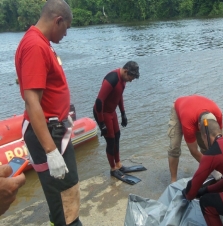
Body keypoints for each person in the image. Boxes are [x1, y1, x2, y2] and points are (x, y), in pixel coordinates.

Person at [15, 0, 82, 225]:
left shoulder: (41, 42)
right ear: (58, 21)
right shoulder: (35, 45)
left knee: (60, 198)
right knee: (67, 200)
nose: (66, 34)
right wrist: (51, 151)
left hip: (56, 128)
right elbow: (31, 101)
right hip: (49, 134)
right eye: (66, 28)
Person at [93, 61, 140, 180]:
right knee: (110, 141)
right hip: (102, 112)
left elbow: (119, 96)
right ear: (125, 71)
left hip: (111, 111)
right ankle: (113, 169)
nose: (131, 80)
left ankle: (118, 164)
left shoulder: (123, 80)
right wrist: (102, 123)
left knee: (117, 136)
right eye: (131, 77)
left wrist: (123, 113)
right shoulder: (112, 79)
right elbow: (99, 101)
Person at [167, 95, 223, 183]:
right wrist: (212, 168)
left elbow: (220, 142)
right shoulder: (188, 123)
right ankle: (173, 180)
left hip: (195, 109)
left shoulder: (218, 114)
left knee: (206, 146)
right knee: (174, 147)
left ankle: (209, 171)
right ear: (199, 127)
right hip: (181, 110)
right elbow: (193, 151)